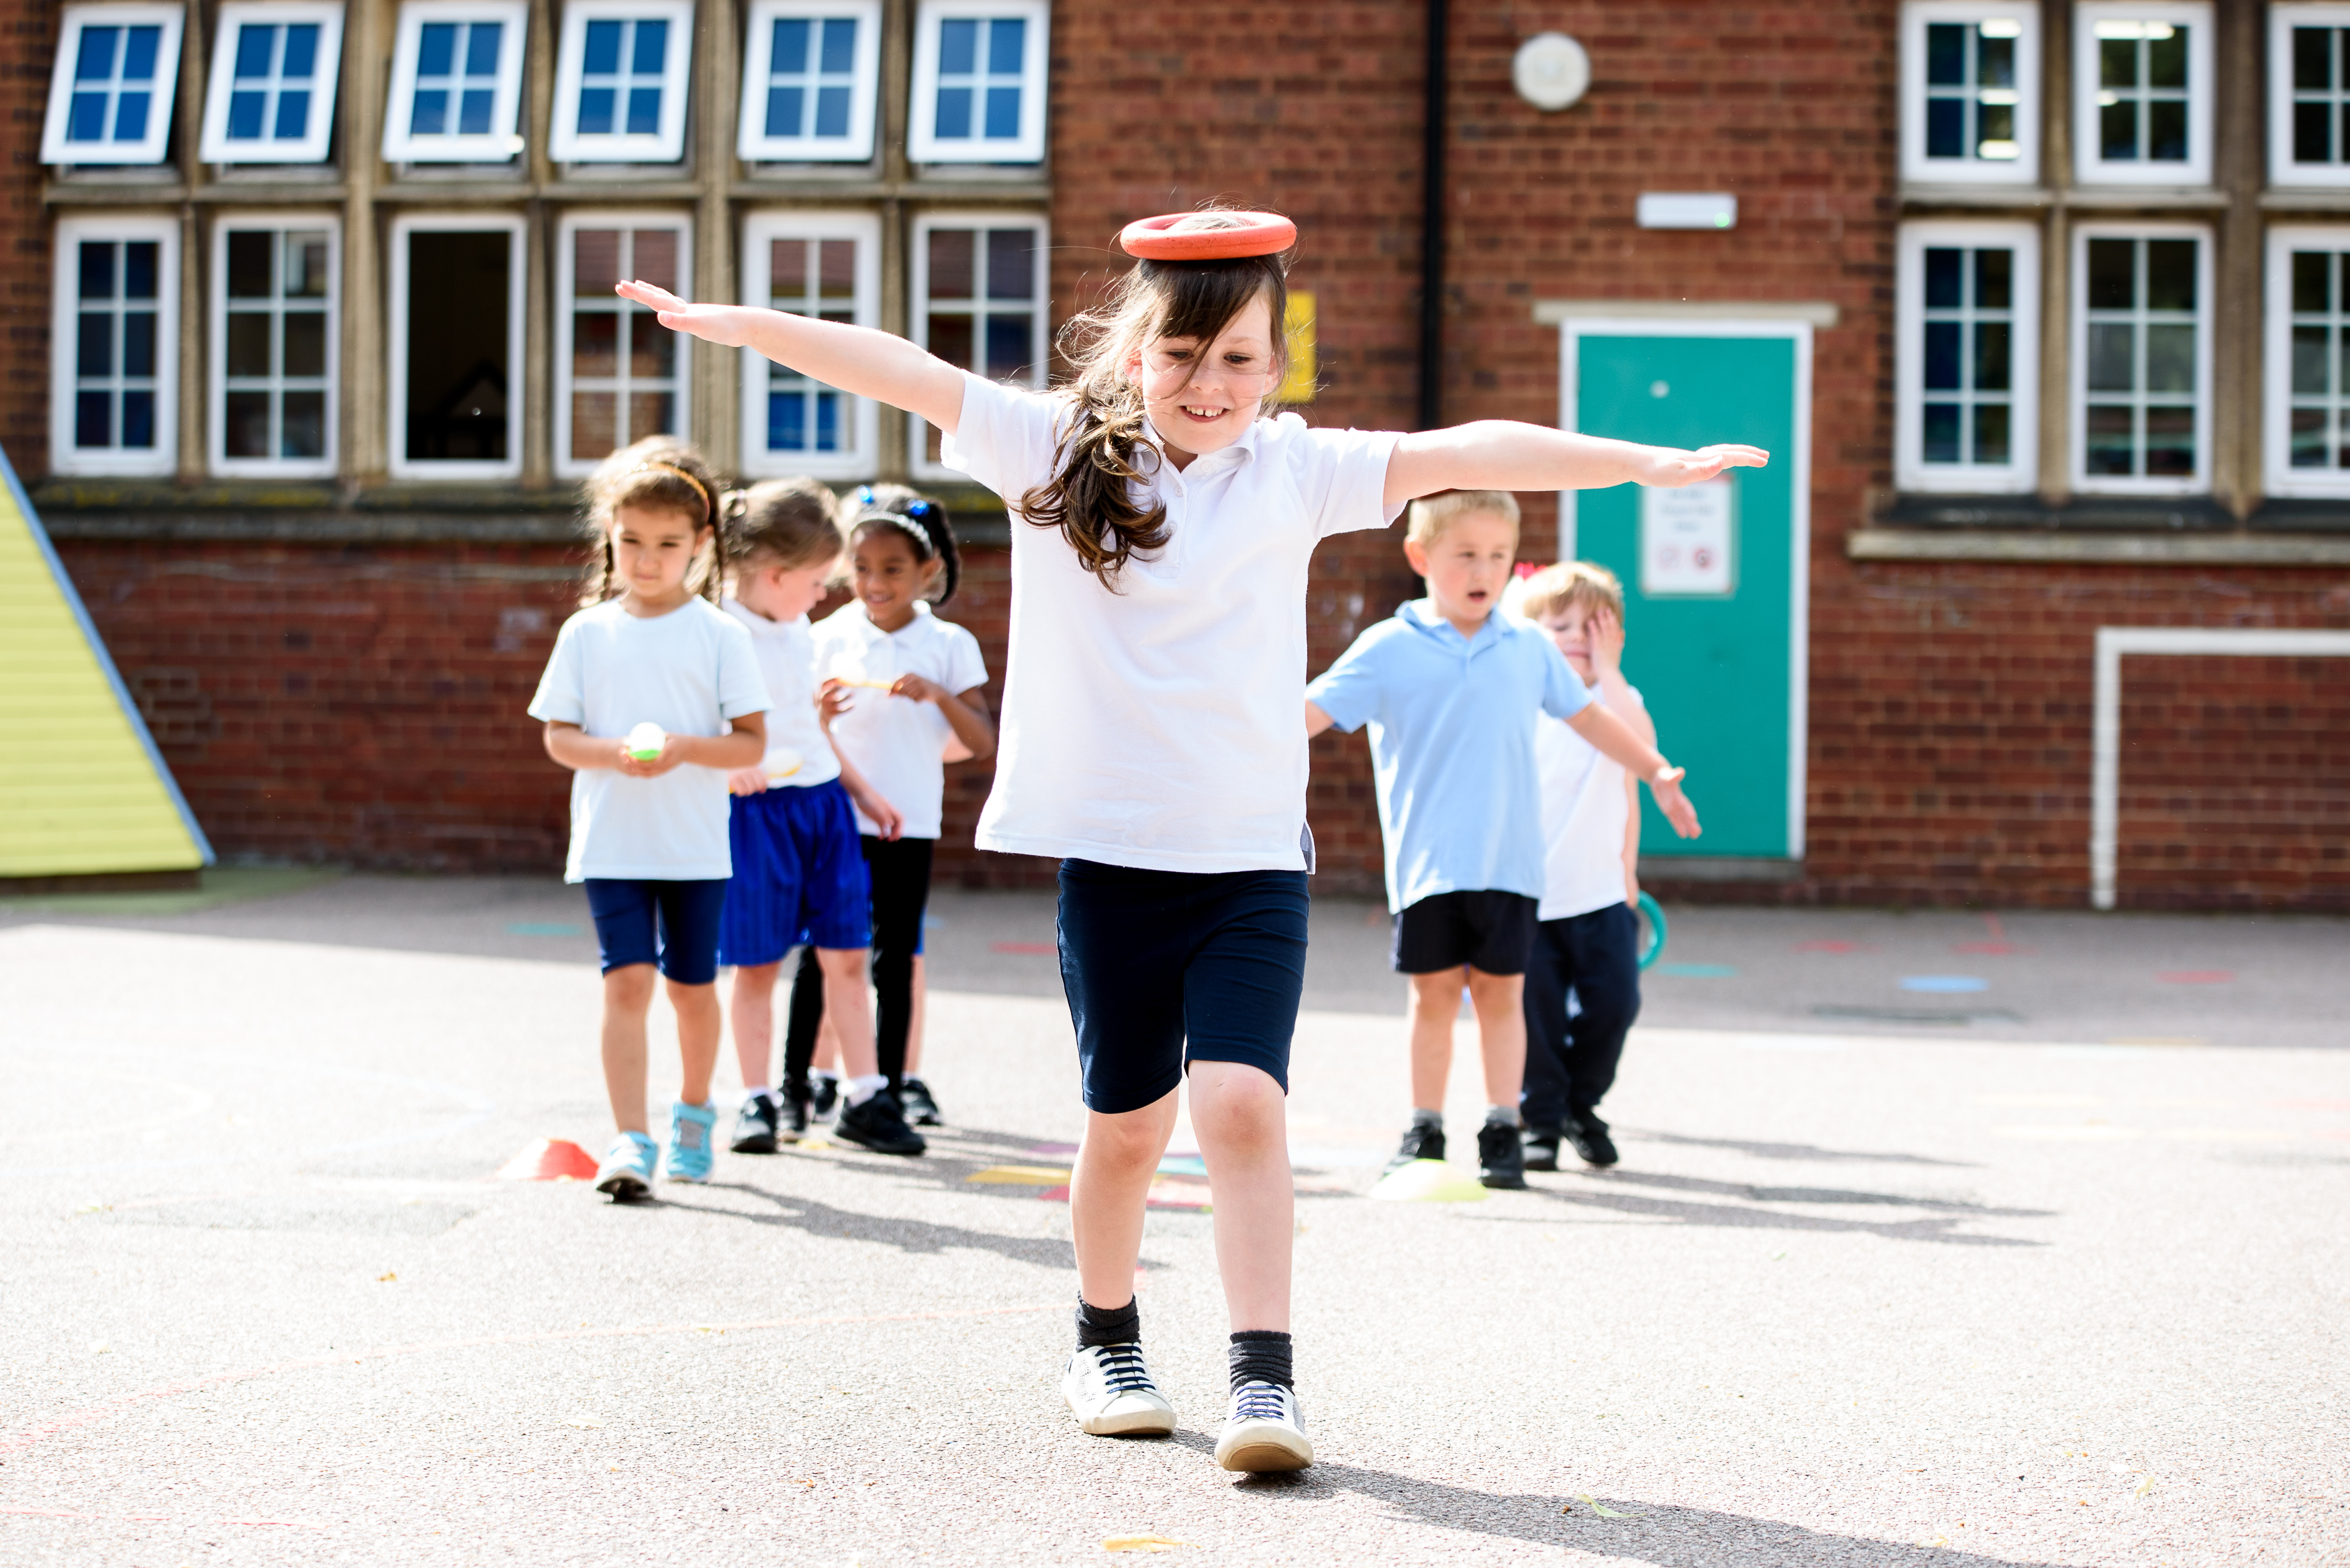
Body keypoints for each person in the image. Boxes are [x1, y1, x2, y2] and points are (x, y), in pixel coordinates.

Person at [616, 205, 1763, 1473]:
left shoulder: (1296, 469)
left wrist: (1641, 463)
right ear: (1133, 353)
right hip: (1113, 860)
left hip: (1251, 861)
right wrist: (732, 326)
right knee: (1128, 1125)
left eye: (1239, 359)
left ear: (1276, 366)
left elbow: (1468, 446)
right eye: (1181, 355)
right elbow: (898, 367)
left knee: (1242, 1104)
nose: (1209, 383)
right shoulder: (1051, 447)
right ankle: (1103, 1340)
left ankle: (1264, 1379)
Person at [1303, 493, 1700, 1190]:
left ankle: (1502, 1126)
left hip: (1511, 867)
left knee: (1500, 997)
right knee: (1432, 998)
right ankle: (1424, 1126)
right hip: (1428, 865)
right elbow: (1306, 714)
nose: (1483, 570)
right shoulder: (1389, 647)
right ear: (1421, 556)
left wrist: (1655, 771)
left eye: (1497, 555)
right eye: (1465, 554)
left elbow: (1590, 719)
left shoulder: (1526, 648)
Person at [526, 438, 771, 1202]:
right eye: (632, 541)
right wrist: (613, 753)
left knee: (691, 988)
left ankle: (693, 1115)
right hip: (612, 844)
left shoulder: (722, 635)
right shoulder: (586, 632)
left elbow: (751, 743)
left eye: (668, 544)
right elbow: (558, 736)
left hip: (693, 848)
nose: (648, 558)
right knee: (625, 983)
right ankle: (630, 1137)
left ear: (700, 543)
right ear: (610, 535)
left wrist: (684, 748)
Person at [715, 477, 927, 1161]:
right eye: (815, 582)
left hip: (824, 809)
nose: (820, 596)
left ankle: (865, 1097)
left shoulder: (798, 630)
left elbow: (810, 731)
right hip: (757, 814)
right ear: (775, 574)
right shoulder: (717, 632)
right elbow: (692, 726)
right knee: (755, 965)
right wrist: (724, 767)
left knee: (846, 953)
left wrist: (860, 791)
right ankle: (755, 1098)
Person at [777, 483, 993, 1134]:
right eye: (862, 568)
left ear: (927, 572)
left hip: (908, 823)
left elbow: (983, 737)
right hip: (833, 821)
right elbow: (794, 731)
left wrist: (938, 696)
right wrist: (817, 713)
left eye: (893, 569)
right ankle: (796, 1086)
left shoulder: (949, 643)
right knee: (820, 953)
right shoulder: (825, 637)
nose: (874, 583)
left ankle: (890, 1090)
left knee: (894, 958)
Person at [1511, 561, 1651, 1172]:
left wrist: (1629, 867)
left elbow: (1640, 760)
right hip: (1531, 896)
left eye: (1590, 627)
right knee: (1535, 1016)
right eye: (1560, 625)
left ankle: (1580, 1104)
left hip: (1600, 894)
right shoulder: (1525, 703)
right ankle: (1540, 1118)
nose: (1575, 638)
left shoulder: (1617, 702)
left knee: (1615, 1005)